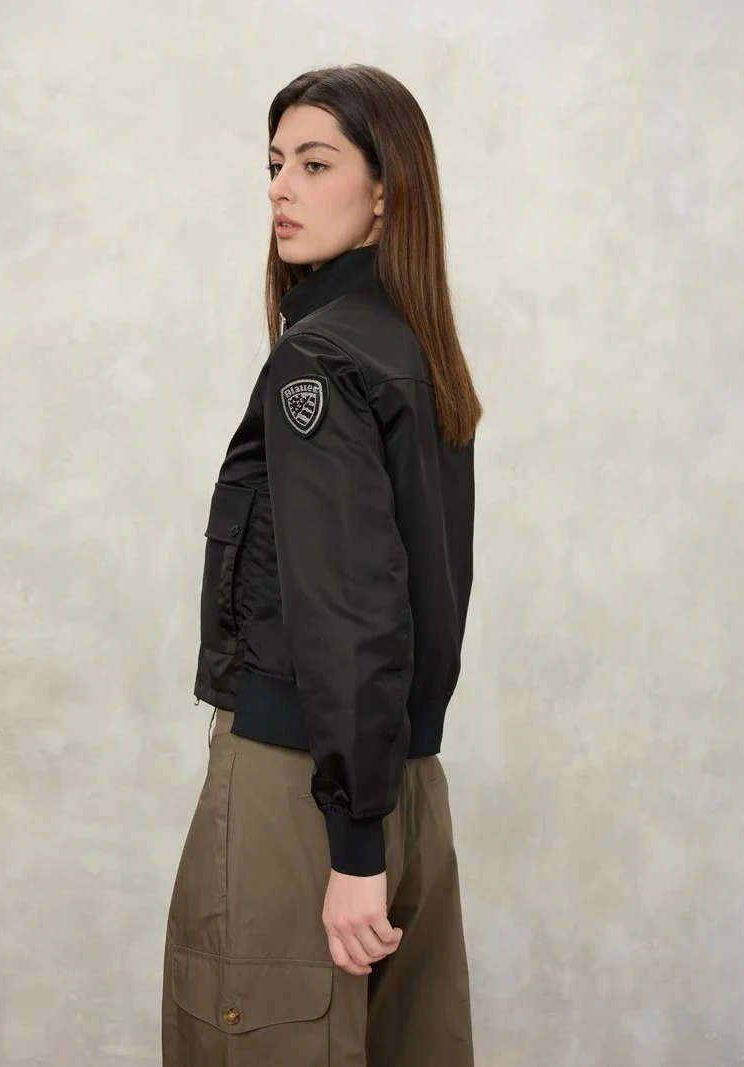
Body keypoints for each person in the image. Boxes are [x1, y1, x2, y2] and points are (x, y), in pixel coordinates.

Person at [161, 62, 482, 1067]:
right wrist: (380, 823)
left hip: (301, 785)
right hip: (406, 786)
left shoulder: (320, 359)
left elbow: (350, 609)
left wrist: (352, 846)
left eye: (313, 163)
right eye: (273, 165)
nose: (279, 190)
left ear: (385, 192)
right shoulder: (413, 351)